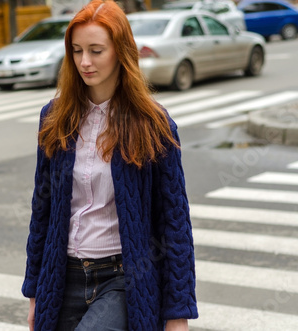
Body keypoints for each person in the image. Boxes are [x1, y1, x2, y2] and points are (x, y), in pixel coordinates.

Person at [21, 1, 198, 330]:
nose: (84, 62)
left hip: (122, 280)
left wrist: (178, 315)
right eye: (76, 51)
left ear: (121, 52)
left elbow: (174, 223)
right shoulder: (56, 117)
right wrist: (34, 292)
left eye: (96, 50)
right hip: (62, 277)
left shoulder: (152, 124)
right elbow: (42, 209)